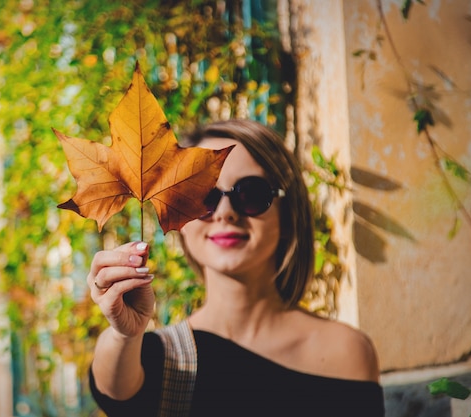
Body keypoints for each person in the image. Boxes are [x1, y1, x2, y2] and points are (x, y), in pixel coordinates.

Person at [86, 119, 385, 416]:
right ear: (181, 221)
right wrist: (124, 334)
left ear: (288, 212)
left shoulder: (346, 351)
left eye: (251, 194)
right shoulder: (158, 359)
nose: (225, 213)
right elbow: (114, 392)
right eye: (202, 196)